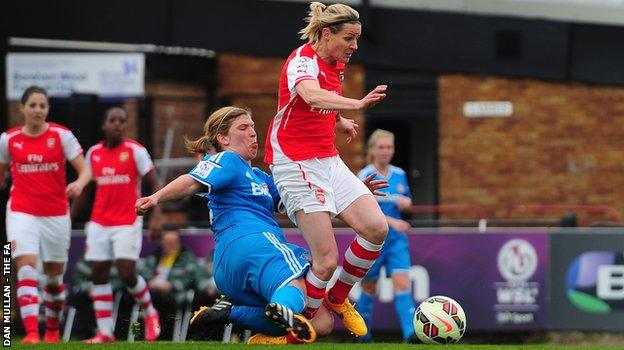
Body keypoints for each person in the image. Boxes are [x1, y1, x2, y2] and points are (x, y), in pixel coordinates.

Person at [135, 106, 387, 344]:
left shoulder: (263, 179)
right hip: (254, 243)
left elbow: (309, 204)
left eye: (253, 126)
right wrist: (156, 197)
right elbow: (191, 181)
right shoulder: (227, 160)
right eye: (243, 127)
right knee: (296, 288)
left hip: (228, 269)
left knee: (321, 322)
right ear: (223, 138)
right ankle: (284, 308)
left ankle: (228, 313)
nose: (253, 132)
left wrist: (353, 192)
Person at [264, 1, 388, 337]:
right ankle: (288, 334)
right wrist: (357, 105)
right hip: (295, 162)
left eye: (357, 39)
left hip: (327, 159)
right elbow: (310, 95)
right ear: (325, 33)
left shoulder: (336, 63)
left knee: (376, 228)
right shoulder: (302, 60)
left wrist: (340, 119)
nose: (354, 46)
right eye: (349, 38)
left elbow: (320, 104)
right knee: (326, 260)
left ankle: (337, 298)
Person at [0, 86, 91, 344]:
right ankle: (31, 333)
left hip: (55, 214)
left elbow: (85, 170)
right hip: (21, 211)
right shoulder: (8, 139)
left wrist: (80, 183)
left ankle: (52, 330)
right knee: (26, 267)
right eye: (33, 105)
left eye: (42, 106)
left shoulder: (62, 136)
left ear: (47, 109)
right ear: (22, 108)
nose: (38, 110)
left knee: (53, 278)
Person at [71, 107, 162, 343]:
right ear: (104, 125)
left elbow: (154, 183)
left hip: (127, 221)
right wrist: (69, 219)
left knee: (126, 272)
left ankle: (150, 312)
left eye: (122, 121)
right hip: (99, 222)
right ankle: (104, 332)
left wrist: (156, 216)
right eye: (113, 120)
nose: (118, 124)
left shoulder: (136, 151)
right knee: (98, 273)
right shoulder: (94, 153)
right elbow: (86, 190)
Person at [356, 129, 416, 342]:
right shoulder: (364, 176)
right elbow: (362, 211)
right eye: (381, 147)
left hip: (396, 240)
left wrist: (406, 203)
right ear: (372, 150)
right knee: (370, 286)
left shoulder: (399, 174)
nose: (385, 151)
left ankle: (411, 334)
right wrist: (393, 222)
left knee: (402, 283)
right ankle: (363, 335)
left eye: (389, 147)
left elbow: (407, 201)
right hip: (372, 239)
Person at [138, 227, 204, 340]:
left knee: (157, 298)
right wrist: (150, 281)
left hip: (175, 294)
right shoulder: (155, 254)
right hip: (154, 290)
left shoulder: (186, 256)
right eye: (167, 241)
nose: (170, 244)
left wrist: (172, 285)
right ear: (162, 242)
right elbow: (144, 271)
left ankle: (160, 335)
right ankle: (147, 333)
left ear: (179, 242)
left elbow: (192, 278)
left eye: (173, 242)